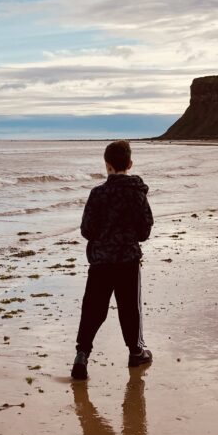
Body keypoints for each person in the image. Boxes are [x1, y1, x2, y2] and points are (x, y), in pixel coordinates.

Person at [71, 139, 153, 381]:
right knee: (130, 308)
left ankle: (82, 355)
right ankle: (135, 352)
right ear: (129, 164)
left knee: (93, 309)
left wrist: (103, 237)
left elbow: (86, 229)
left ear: (106, 165)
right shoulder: (137, 194)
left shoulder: (97, 194)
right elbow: (145, 230)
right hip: (127, 260)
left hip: (100, 261)